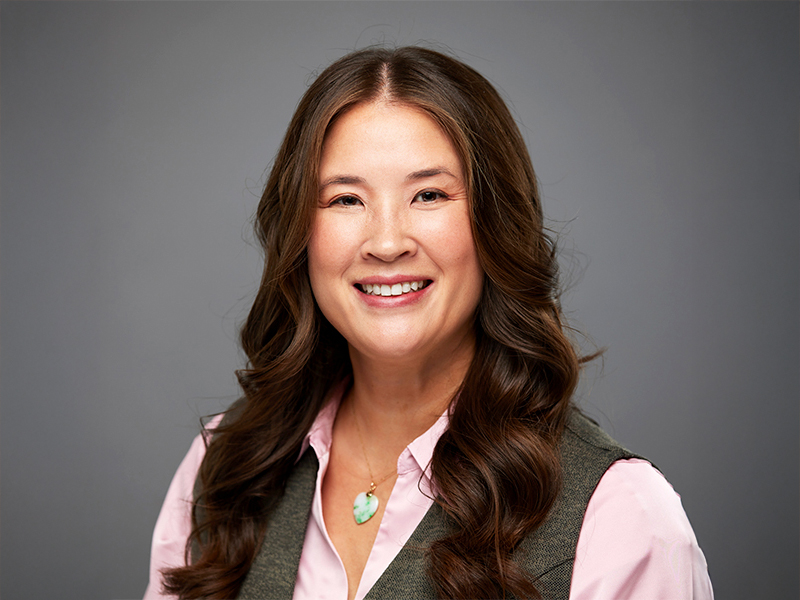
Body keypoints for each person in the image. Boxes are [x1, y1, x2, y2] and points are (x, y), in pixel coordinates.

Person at [144, 46, 713, 600]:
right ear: (300, 234)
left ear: (496, 223)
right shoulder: (221, 466)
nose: (387, 242)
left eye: (429, 194)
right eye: (345, 200)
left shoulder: (620, 516)